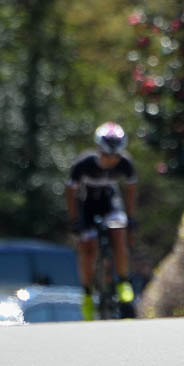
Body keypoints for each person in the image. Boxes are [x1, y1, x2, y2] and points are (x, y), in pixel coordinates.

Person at [66, 122, 138, 319]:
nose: (111, 161)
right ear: (99, 150)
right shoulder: (83, 164)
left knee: (118, 232)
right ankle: (87, 295)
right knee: (87, 248)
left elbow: (130, 190)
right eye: (107, 157)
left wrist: (130, 218)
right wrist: (74, 221)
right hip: (87, 205)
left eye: (115, 157)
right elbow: (71, 192)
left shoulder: (125, 163)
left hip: (110, 202)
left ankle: (123, 282)